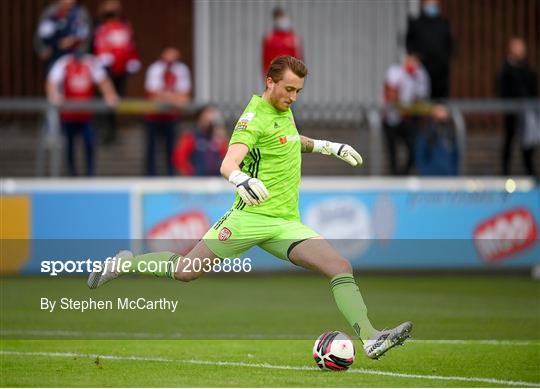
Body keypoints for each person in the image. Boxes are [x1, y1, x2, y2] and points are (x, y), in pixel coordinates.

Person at [88, 55, 412, 360]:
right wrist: (241, 179)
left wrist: (329, 146)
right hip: (248, 219)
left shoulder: (283, 110)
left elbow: (288, 139)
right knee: (186, 271)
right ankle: (127, 264)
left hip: (285, 223)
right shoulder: (252, 118)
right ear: (269, 82)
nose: (293, 97)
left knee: (339, 266)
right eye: (288, 89)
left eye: (298, 91)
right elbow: (228, 163)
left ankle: (371, 338)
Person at [46, 51, 118, 176]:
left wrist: (110, 95)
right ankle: (72, 174)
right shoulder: (64, 63)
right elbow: (51, 82)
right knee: (69, 146)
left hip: (86, 115)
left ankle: (90, 174)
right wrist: (54, 95)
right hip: (68, 114)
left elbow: (103, 81)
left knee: (90, 143)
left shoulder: (90, 62)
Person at [93, 0, 141, 144]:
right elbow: (98, 44)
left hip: (121, 70)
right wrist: (102, 58)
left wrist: (132, 60)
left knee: (116, 100)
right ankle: (101, 128)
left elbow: (130, 45)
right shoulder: (100, 26)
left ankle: (112, 131)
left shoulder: (125, 26)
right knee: (104, 98)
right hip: (104, 70)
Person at [143, 47, 192, 176]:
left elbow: (185, 95)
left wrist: (166, 97)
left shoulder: (181, 69)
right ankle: (150, 175)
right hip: (153, 115)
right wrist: (175, 99)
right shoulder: (155, 68)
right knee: (151, 148)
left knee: (171, 149)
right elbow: (153, 94)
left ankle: (170, 174)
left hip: (171, 116)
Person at [383, 52, 431, 175]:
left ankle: (404, 174)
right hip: (391, 117)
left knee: (413, 148)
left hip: (408, 118)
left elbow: (421, 97)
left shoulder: (420, 75)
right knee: (392, 151)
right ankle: (394, 174)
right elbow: (391, 93)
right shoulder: (395, 71)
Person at [498, 37, 538, 177]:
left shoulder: (526, 68)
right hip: (512, 112)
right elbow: (502, 89)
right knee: (510, 140)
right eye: (517, 47)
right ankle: (505, 172)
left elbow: (533, 88)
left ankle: (530, 172)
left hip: (527, 111)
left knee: (528, 143)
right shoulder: (506, 69)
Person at [406, 0, 453, 99]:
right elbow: (410, 47)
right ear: (423, 3)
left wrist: (445, 61)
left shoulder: (444, 24)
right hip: (421, 73)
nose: (431, 4)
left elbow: (450, 46)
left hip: (440, 75)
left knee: (440, 105)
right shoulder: (416, 24)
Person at [34, 0, 92, 72]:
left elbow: (86, 38)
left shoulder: (80, 13)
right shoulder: (50, 12)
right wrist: (46, 50)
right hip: (55, 58)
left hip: (76, 60)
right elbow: (41, 35)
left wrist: (73, 42)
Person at [172, 105, 228, 176]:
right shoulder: (191, 137)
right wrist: (190, 173)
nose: (209, 121)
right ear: (200, 118)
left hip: (216, 180)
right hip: (197, 179)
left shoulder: (219, 139)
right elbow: (179, 158)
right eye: (207, 117)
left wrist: (222, 141)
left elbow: (228, 158)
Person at [262, 7, 303, 76]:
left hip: (291, 75)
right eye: (278, 18)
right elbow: (265, 60)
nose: (281, 20)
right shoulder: (269, 38)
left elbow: (299, 58)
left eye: (282, 17)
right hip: (276, 76)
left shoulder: (294, 38)